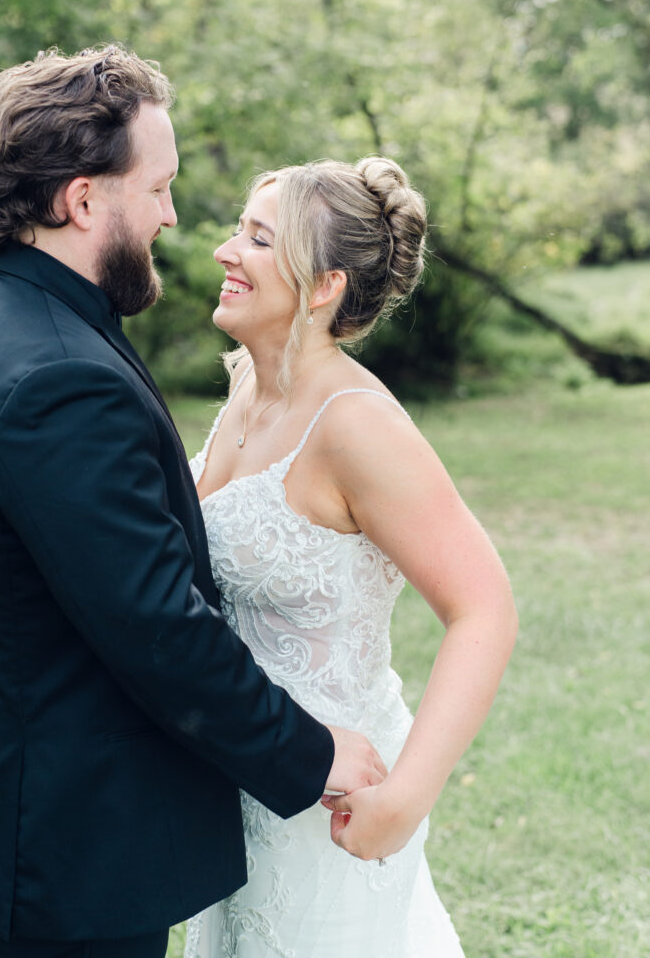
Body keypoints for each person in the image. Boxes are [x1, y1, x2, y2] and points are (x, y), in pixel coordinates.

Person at [0, 46, 387, 958]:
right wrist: (309, 752)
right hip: (67, 840)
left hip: (6, 801)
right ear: (83, 200)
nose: (171, 215)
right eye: (156, 188)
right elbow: (157, 629)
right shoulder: (59, 379)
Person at [183, 157, 519, 957]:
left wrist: (406, 796)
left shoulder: (355, 424)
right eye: (239, 229)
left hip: (336, 799)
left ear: (323, 285)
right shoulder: (247, 389)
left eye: (258, 239)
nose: (226, 252)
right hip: (242, 782)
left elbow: (485, 609)